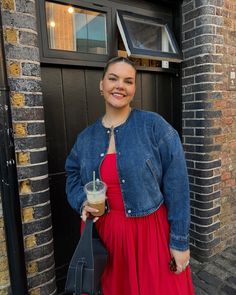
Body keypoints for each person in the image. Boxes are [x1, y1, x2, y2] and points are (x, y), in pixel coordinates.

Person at [65, 56, 194, 295]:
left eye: (128, 81)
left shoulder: (154, 126)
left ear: (134, 88)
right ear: (101, 84)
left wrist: (179, 242)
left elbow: (177, 187)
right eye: (113, 78)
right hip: (104, 236)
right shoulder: (86, 138)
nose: (120, 86)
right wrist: (81, 201)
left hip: (149, 234)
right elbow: (72, 174)